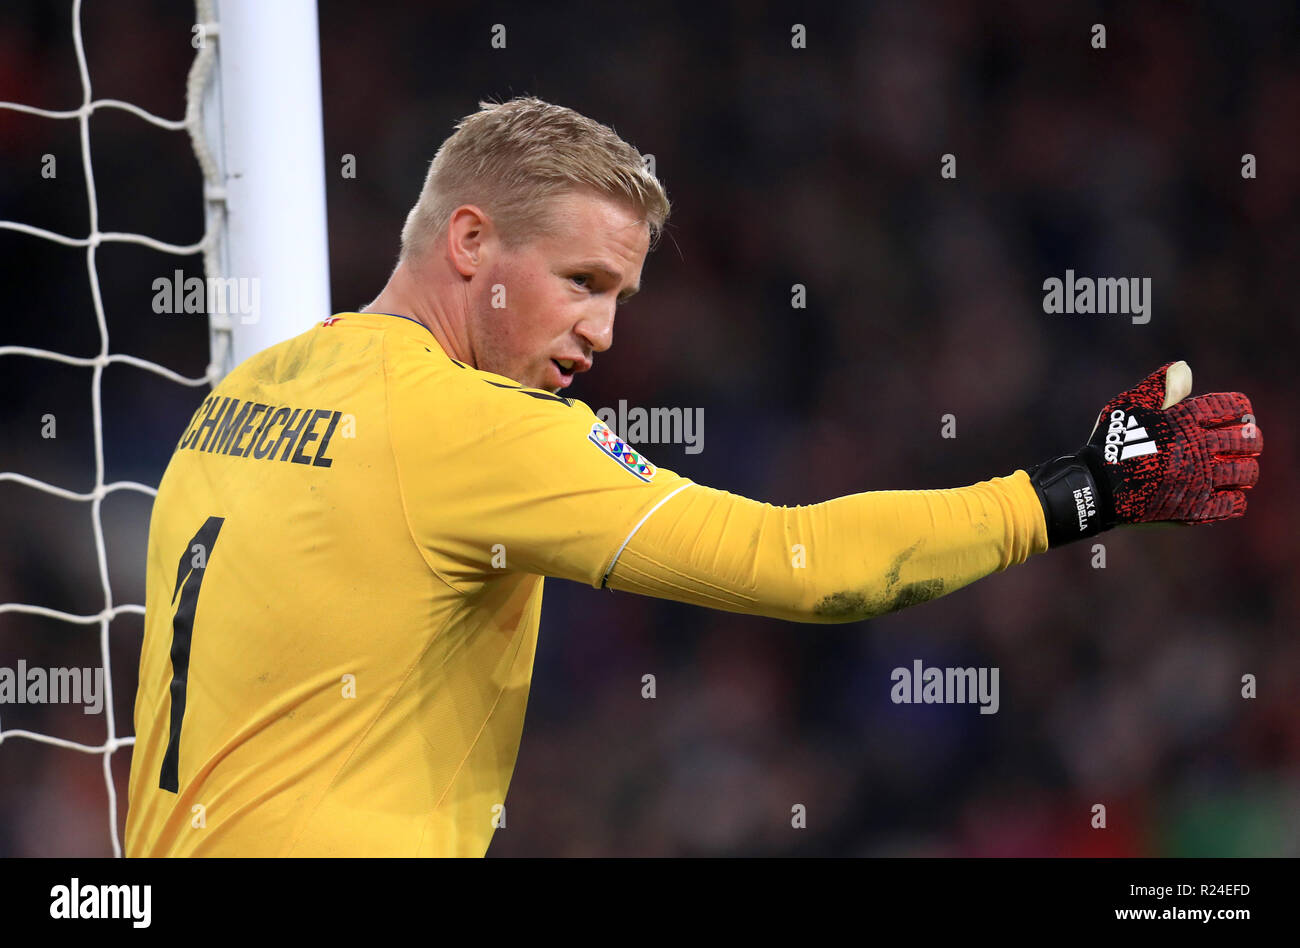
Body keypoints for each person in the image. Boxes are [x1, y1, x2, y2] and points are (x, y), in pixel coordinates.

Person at [125, 96, 1262, 857]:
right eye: (579, 280)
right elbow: (802, 565)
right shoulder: (471, 426)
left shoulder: (255, 386)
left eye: (618, 295)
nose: (604, 333)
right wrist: (1074, 495)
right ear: (469, 243)